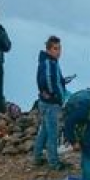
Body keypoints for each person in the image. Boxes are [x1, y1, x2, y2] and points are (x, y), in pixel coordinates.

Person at [33, 35, 69, 171]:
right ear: (48, 49)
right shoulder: (49, 63)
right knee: (53, 132)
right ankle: (54, 162)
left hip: (47, 101)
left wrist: (61, 82)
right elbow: (46, 80)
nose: (58, 52)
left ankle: (36, 157)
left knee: (45, 130)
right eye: (55, 49)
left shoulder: (51, 62)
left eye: (59, 48)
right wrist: (54, 94)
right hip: (50, 103)